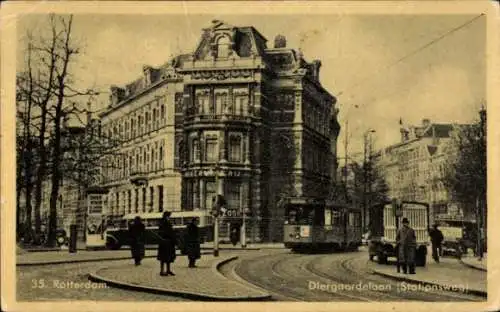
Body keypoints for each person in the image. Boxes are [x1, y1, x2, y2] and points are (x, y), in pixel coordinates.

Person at [157, 211, 176, 276]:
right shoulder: (163, 223)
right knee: (163, 257)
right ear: (166, 216)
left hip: (169, 242)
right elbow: (162, 232)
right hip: (164, 242)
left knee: (169, 257)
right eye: (168, 216)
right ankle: (162, 271)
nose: (169, 217)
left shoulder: (166, 222)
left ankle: (168, 270)